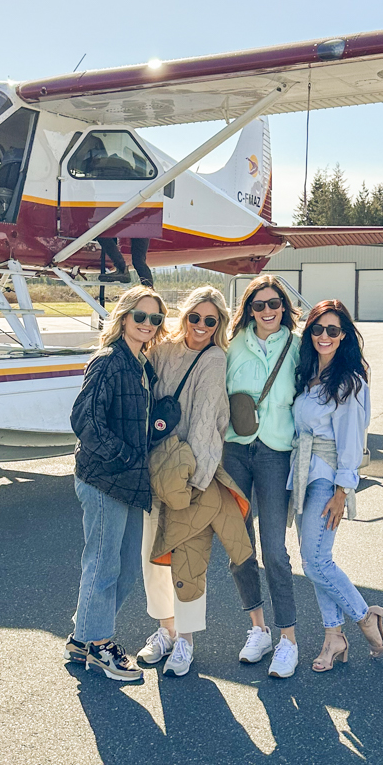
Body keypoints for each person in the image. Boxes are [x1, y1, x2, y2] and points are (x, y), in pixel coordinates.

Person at [65, 284, 165, 681]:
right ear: (124, 318)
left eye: (155, 319)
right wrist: (126, 456)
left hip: (131, 483)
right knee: (104, 564)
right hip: (105, 480)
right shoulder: (109, 361)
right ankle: (100, 645)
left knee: (125, 570)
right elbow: (84, 421)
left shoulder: (142, 364)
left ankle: (82, 637)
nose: (147, 324)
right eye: (140, 316)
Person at [289, 299, 383, 672]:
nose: (324, 336)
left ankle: (365, 616)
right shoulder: (307, 374)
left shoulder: (349, 382)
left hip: (327, 478)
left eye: (333, 330)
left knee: (315, 560)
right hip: (302, 474)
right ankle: (334, 636)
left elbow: (352, 440)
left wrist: (342, 491)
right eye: (318, 329)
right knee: (316, 561)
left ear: (344, 334)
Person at [137, 287, 232, 676]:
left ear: (219, 325)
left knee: (188, 560)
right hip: (154, 467)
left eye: (211, 321)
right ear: (185, 316)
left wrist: (198, 480)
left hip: (189, 474)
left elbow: (212, 422)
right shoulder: (161, 351)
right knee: (152, 555)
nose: (201, 327)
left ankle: (186, 640)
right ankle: (165, 629)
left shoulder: (214, 359)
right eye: (195, 318)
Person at [222, 274, 302, 678]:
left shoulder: (299, 346)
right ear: (249, 309)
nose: (268, 311)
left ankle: (289, 640)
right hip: (235, 450)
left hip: (276, 452)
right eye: (259, 305)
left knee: (274, 550)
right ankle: (258, 630)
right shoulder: (232, 345)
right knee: (240, 547)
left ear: (284, 308)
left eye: (274, 304)